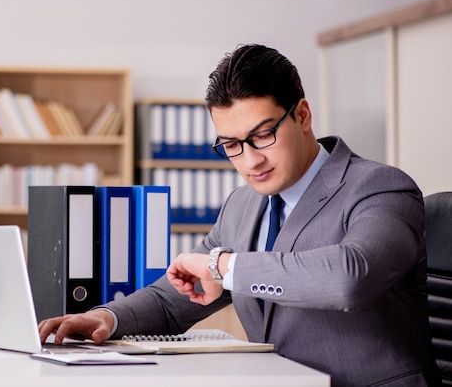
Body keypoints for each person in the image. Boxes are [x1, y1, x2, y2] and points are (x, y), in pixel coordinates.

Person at [39, 44, 440, 386]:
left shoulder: (381, 187)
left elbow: (350, 278)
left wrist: (223, 265)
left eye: (263, 135)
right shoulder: (242, 205)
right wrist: (104, 318)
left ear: (302, 115)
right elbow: (171, 299)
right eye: (231, 144)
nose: (250, 160)